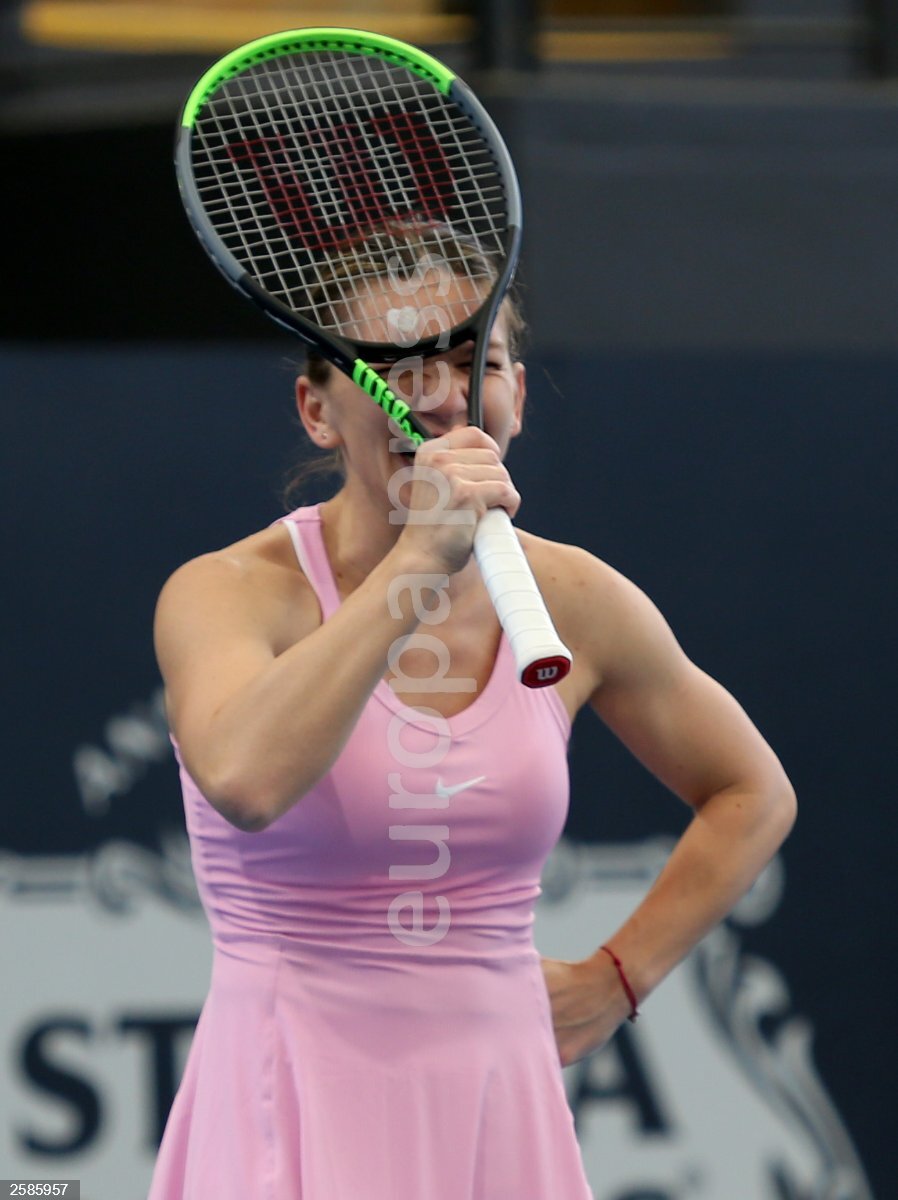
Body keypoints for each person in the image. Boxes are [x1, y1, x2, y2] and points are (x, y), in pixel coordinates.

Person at [147, 225, 796, 1199]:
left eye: (472, 361)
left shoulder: (578, 601)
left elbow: (752, 792)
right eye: (397, 368)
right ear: (317, 411)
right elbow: (244, 781)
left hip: (503, 1117)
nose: (442, 394)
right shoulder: (225, 594)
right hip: (286, 1107)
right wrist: (417, 564)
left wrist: (618, 977)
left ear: (516, 397)